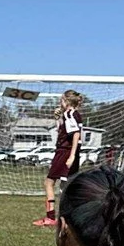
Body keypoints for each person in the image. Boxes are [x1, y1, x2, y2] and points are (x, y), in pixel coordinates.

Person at [38, 90, 85, 228]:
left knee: (49, 182)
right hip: (69, 152)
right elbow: (66, 132)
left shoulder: (69, 114)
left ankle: (51, 217)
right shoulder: (74, 115)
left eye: (61, 100)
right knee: (66, 186)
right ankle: (68, 217)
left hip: (65, 152)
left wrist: (71, 155)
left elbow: (76, 134)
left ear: (65, 101)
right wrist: (58, 119)